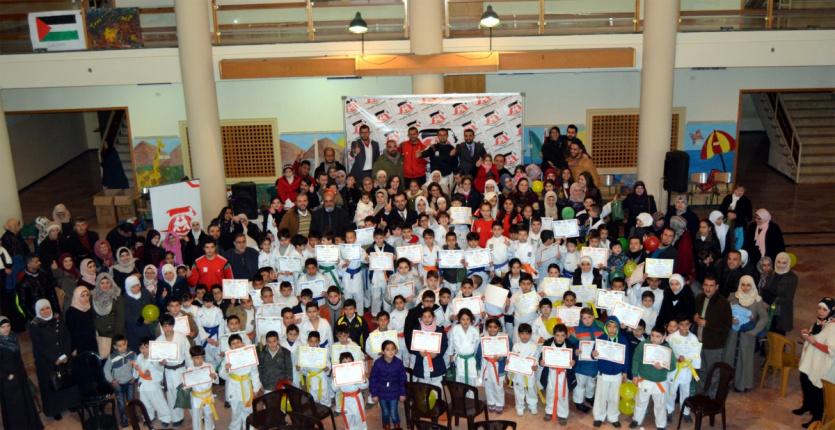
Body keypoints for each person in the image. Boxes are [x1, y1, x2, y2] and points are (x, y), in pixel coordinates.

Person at [29, 299, 79, 420]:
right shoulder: (34, 325)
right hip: (46, 362)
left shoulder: (58, 318)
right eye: (42, 309)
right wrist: (54, 359)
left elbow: (67, 336)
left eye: (47, 308)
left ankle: (71, 403)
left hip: (64, 357)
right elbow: (39, 346)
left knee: (67, 380)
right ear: (38, 311)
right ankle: (56, 409)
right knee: (52, 385)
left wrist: (66, 354)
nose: (46, 311)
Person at [794, 298, 835, 428]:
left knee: (817, 392)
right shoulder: (819, 322)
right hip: (809, 361)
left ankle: (817, 418)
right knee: (805, 382)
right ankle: (806, 406)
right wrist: (807, 334)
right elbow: (814, 336)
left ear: (831, 311)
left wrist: (813, 342)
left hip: (820, 365)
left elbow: (831, 350)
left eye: (824, 309)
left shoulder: (833, 327)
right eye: (819, 308)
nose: (821, 311)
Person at [724, 275, 768, 392]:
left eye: (748, 285)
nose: (745, 287)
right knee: (729, 356)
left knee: (744, 359)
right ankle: (725, 381)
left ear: (752, 286)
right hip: (733, 334)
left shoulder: (757, 301)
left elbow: (764, 318)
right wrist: (730, 319)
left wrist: (754, 331)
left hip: (747, 336)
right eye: (743, 284)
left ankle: (741, 384)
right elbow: (724, 311)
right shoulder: (733, 297)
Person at [0, 316, 43, 429]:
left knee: (25, 403)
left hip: (20, 376)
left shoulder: (13, 337)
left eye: (8, 326)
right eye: (2, 327)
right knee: (15, 408)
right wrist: (6, 376)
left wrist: (23, 373)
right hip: (8, 382)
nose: (6, 329)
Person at [630, 325, 674, 430]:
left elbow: (673, 366)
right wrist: (635, 375)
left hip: (660, 381)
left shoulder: (668, 349)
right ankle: (636, 420)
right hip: (644, 379)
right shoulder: (643, 344)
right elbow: (636, 359)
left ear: (664, 337)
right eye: (652, 335)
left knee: (660, 404)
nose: (654, 339)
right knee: (640, 401)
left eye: (658, 336)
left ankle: (661, 424)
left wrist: (663, 366)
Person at [693, 276, 731, 393]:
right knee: (700, 370)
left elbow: (726, 325)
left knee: (714, 372)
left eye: (711, 286)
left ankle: (712, 397)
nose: (708, 288)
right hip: (698, 342)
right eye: (706, 285)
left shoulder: (723, 303)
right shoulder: (699, 298)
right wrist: (694, 318)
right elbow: (695, 314)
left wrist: (707, 324)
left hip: (714, 345)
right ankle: (701, 395)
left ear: (717, 287)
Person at [156, 313, 193, 426]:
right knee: (171, 395)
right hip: (168, 371)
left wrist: (190, 368)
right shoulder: (159, 340)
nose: (167, 328)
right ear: (162, 326)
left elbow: (188, 354)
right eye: (165, 326)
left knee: (187, 394)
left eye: (169, 325)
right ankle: (177, 418)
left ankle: (197, 415)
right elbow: (156, 359)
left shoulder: (181, 337)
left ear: (173, 325)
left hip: (181, 369)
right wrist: (160, 363)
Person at [591, 316, 628, 428]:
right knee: (601, 396)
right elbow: (593, 354)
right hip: (603, 373)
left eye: (615, 327)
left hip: (617, 374)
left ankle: (613, 417)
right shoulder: (600, 339)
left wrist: (625, 372)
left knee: (614, 397)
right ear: (605, 327)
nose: (612, 329)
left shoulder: (623, 340)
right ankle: (598, 416)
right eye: (609, 326)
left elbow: (626, 357)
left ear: (618, 328)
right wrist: (593, 354)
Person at [539, 323, 575, 424]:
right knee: (550, 391)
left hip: (564, 374)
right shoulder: (548, 343)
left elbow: (574, 359)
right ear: (554, 335)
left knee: (562, 393)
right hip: (551, 372)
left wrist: (573, 362)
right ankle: (549, 411)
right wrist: (541, 362)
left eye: (562, 335)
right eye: (557, 335)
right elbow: (541, 357)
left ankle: (562, 414)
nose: (560, 338)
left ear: (566, 335)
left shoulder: (570, 345)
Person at [133, 336, 171, 425]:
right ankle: (148, 417)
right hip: (143, 385)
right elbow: (136, 372)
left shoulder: (155, 357)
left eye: (146, 347)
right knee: (145, 403)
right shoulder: (139, 357)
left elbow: (160, 369)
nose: (144, 350)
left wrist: (151, 373)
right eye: (142, 348)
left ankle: (166, 418)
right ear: (139, 349)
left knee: (158, 402)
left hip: (153, 384)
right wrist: (136, 368)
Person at [369, 340, 407, 430]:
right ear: (383, 351)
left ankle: (397, 425)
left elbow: (403, 379)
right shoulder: (378, 363)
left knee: (393, 411)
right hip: (381, 392)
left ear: (396, 350)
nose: (390, 351)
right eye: (387, 349)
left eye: (393, 349)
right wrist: (374, 394)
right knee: (385, 411)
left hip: (394, 392)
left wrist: (402, 393)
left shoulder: (398, 363)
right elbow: (373, 379)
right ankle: (386, 425)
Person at [103, 334, 136, 428]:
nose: (122, 347)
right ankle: (124, 420)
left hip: (130, 382)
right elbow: (106, 369)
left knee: (131, 400)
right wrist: (112, 380)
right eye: (119, 346)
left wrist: (134, 377)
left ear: (127, 343)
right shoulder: (112, 357)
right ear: (115, 347)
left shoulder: (132, 354)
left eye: (124, 344)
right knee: (121, 402)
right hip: (118, 384)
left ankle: (133, 417)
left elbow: (136, 366)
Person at [761, 252, 798, 334]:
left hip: (781, 311)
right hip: (768, 307)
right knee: (768, 332)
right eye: (778, 262)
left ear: (788, 263)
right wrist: (764, 301)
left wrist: (770, 302)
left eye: (784, 263)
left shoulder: (792, 278)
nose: (780, 265)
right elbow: (765, 289)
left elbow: (788, 298)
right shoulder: (772, 273)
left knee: (778, 334)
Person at [16, 254, 60, 320]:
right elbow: (23, 303)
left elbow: (52, 294)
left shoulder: (44, 276)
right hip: (36, 315)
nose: (40, 263)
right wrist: (33, 317)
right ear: (29, 264)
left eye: (39, 261)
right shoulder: (23, 282)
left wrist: (56, 311)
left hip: (50, 312)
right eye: (36, 262)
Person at [332, 352, 369, 430]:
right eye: (344, 362)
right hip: (346, 399)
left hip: (357, 398)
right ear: (340, 364)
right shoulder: (339, 374)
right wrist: (335, 379)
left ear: (353, 362)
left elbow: (364, 386)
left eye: (349, 362)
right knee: (348, 416)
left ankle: (362, 428)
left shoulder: (357, 372)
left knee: (359, 416)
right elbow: (334, 389)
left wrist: (364, 379)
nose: (347, 364)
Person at [92, 273, 125, 357]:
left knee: (115, 357)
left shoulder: (117, 296)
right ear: (98, 284)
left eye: (107, 282)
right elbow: (92, 316)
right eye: (102, 283)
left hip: (113, 333)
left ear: (111, 283)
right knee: (103, 358)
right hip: (99, 335)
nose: (105, 285)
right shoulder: (92, 297)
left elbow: (120, 318)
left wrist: (117, 337)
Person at [187, 345, 220, 430]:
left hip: (208, 395)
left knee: (208, 414)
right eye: (197, 358)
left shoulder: (209, 366)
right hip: (196, 397)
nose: (200, 360)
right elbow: (187, 384)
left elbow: (216, 379)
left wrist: (214, 376)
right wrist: (185, 384)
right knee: (196, 416)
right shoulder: (189, 369)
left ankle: (210, 428)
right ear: (192, 358)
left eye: (202, 357)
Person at [511, 323, 539, 417]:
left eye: (527, 333)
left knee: (531, 389)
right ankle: (520, 406)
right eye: (522, 333)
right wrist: (509, 362)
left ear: (530, 334)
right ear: (518, 334)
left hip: (530, 372)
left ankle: (533, 405)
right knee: (519, 389)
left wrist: (536, 366)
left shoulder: (534, 346)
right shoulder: (516, 346)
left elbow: (536, 359)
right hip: (518, 373)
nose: (524, 336)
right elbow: (513, 358)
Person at [122, 275, 156, 352]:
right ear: (128, 287)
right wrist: (143, 320)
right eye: (133, 287)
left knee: (151, 348)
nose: (136, 288)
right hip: (134, 330)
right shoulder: (125, 298)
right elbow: (128, 316)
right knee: (139, 349)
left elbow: (152, 304)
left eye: (137, 285)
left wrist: (151, 317)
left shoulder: (145, 292)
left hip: (149, 327)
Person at [64, 286, 97, 354]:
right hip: (79, 346)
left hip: (92, 343)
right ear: (77, 297)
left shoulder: (89, 308)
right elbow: (70, 332)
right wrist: (73, 348)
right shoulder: (71, 312)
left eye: (87, 295)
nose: (86, 298)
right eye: (82, 296)